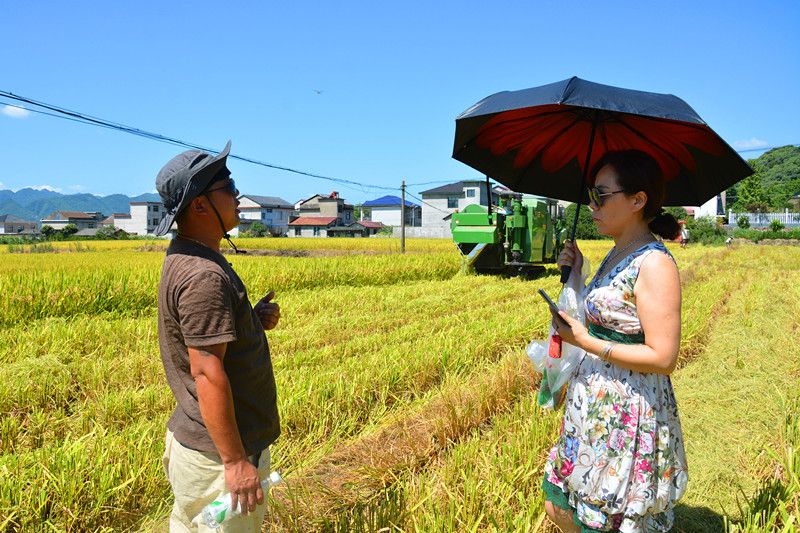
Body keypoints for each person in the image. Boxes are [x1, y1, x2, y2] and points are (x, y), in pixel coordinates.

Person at [543, 150, 688, 533]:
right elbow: (603, 314)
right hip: (593, 400)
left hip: (626, 406)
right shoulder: (616, 252)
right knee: (561, 506)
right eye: (592, 193)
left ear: (638, 200)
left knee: (607, 516)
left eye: (601, 195)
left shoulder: (655, 264)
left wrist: (587, 342)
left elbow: (663, 356)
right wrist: (576, 275)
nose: (592, 204)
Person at [155, 141, 281, 532]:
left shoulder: (189, 256)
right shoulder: (204, 276)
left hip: (201, 447)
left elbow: (207, 335)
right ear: (199, 205)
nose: (237, 197)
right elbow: (207, 372)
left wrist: (249, 321)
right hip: (218, 458)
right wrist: (235, 462)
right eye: (228, 188)